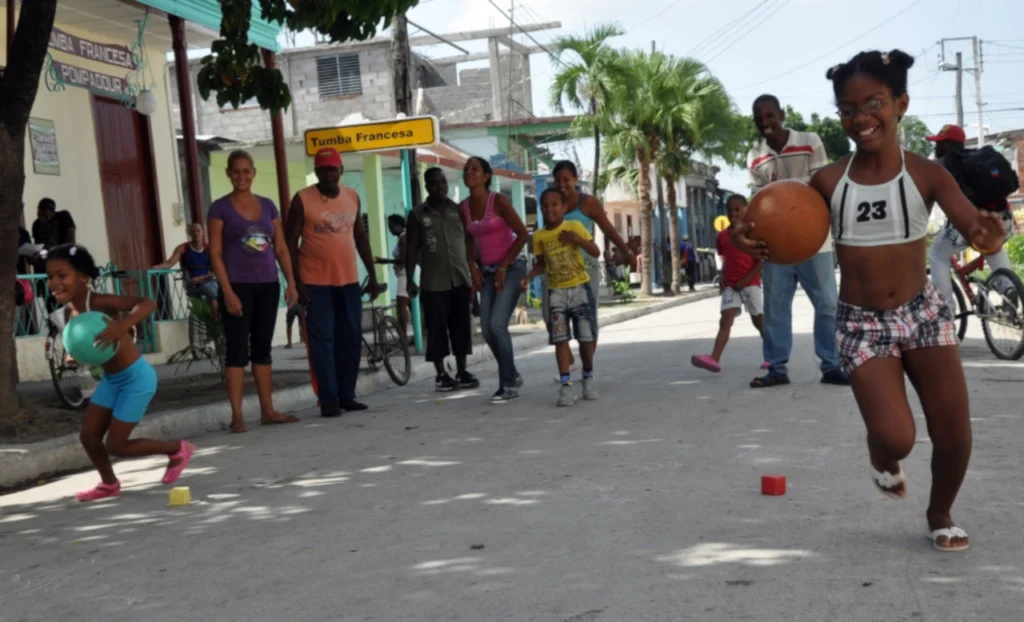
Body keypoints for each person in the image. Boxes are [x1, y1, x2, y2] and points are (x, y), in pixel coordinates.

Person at [732, 49, 1007, 552]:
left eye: (873, 103)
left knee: (954, 432)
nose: (860, 118)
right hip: (862, 324)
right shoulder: (828, 182)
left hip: (923, 314)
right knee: (897, 437)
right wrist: (748, 239)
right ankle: (883, 457)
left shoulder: (928, 174)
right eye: (847, 109)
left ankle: (940, 511)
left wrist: (987, 236)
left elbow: (972, 227)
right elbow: (774, 226)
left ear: (900, 103)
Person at [43, 244, 194, 502]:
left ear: (83, 277)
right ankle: (109, 484)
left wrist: (121, 326)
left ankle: (177, 449)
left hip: (136, 380)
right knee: (89, 437)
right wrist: (74, 355)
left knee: (117, 445)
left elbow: (148, 303)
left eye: (61, 275)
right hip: (112, 380)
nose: (53, 282)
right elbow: (81, 344)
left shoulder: (100, 302)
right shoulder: (69, 313)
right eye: (49, 277)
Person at [746, 94, 849, 388]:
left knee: (828, 303)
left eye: (769, 115)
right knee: (776, 307)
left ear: (782, 114)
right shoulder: (755, 155)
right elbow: (758, 200)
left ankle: (831, 366)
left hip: (814, 239)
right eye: (759, 117)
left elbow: (821, 185)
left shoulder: (809, 141)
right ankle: (777, 368)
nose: (765, 122)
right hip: (775, 245)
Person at [209, 149, 300, 432]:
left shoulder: (268, 206)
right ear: (228, 174)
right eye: (236, 172)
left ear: (253, 173)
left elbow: (281, 247)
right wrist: (227, 292)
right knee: (236, 351)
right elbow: (215, 253)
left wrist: (291, 282)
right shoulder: (220, 208)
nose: (241, 177)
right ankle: (237, 416)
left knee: (262, 349)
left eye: (246, 171)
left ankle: (267, 411)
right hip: (237, 287)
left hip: (268, 285)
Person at [286, 147, 378, 418]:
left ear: (341, 170)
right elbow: (290, 241)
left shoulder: (352, 196)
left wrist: (372, 275)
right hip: (315, 283)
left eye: (332, 169)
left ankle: (347, 395)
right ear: (316, 172)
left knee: (350, 339)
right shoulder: (302, 199)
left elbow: (360, 237)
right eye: (322, 169)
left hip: (348, 281)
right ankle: (328, 400)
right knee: (322, 342)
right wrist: (297, 282)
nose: (328, 174)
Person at [549, 161, 636, 378]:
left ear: (576, 179)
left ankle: (587, 368)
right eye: (558, 180)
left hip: (586, 268)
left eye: (566, 180)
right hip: (558, 270)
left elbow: (608, 229)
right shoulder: (551, 202)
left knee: (587, 318)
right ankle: (566, 358)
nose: (562, 184)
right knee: (551, 316)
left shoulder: (587, 203)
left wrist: (626, 252)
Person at [522, 188, 601, 406]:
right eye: (545, 206)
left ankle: (588, 376)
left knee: (585, 338)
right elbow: (541, 263)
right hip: (556, 293)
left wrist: (577, 240)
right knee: (560, 339)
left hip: (580, 288)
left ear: (564, 207)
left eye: (554, 205)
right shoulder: (539, 236)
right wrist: (528, 277)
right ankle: (566, 385)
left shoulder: (574, 227)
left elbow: (595, 251)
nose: (550, 209)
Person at [460, 156, 529, 404]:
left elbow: (522, 235)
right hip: (486, 271)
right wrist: (472, 265)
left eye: (475, 169)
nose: (469, 172)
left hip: (511, 267)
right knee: (487, 329)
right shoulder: (464, 207)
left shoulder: (498, 201)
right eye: (466, 169)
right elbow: (469, 239)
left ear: (487, 176)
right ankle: (512, 374)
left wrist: (503, 265)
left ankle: (508, 384)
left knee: (498, 324)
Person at [926, 123, 1017, 308]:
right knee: (993, 247)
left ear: (948, 145)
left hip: (971, 223)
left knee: (936, 254)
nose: (936, 147)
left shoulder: (944, 163)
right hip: (1002, 220)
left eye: (939, 143)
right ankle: (1010, 290)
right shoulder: (983, 155)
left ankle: (946, 310)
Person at [405, 167, 480, 392]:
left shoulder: (459, 210)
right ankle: (441, 375)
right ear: (427, 186)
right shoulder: (418, 214)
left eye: (443, 182)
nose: (440, 187)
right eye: (434, 183)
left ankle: (462, 371)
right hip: (433, 283)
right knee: (436, 330)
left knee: (461, 328)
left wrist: (470, 265)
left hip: (460, 279)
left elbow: (470, 239)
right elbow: (411, 248)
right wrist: (410, 280)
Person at [691, 195, 765, 373]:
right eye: (730, 210)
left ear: (746, 209)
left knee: (760, 321)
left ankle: (772, 356)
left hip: (750, 284)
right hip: (730, 286)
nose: (733, 213)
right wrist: (722, 280)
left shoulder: (753, 233)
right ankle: (714, 358)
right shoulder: (723, 236)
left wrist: (746, 280)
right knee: (725, 320)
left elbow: (761, 261)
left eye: (738, 209)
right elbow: (726, 260)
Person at [152, 222, 220, 317]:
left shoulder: (208, 248)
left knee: (214, 292)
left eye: (198, 231)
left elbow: (216, 269)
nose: (196, 233)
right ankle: (215, 320)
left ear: (203, 232)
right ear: (189, 233)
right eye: (193, 231)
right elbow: (170, 263)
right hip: (191, 282)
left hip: (207, 280)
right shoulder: (183, 248)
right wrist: (154, 268)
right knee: (211, 294)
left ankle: (217, 320)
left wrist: (202, 277)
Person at [375, 214, 411, 342]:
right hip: (405, 274)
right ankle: (406, 337)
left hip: (405, 274)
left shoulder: (403, 238)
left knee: (401, 307)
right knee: (408, 306)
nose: (390, 230)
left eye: (391, 227)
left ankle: (403, 338)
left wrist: (383, 261)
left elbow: (403, 259)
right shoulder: (404, 236)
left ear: (399, 225)